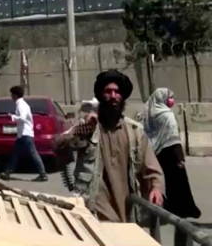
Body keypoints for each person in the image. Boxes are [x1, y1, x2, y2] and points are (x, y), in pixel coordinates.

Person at [58, 69, 164, 223]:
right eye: (108, 91)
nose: (113, 96)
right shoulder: (89, 126)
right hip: (93, 210)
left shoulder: (135, 132)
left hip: (127, 212)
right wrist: (82, 130)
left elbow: (152, 169)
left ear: (123, 97)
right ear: (101, 95)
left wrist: (156, 188)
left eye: (117, 92)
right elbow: (59, 145)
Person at [143, 88, 201, 219]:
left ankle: (170, 206)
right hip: (172, 153)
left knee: (168, 181)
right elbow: (173, 137)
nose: (171, 100)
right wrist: (180, 158)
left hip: (157, 152)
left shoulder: (150, 113)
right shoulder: (167, 115)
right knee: (179, 182)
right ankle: (185, 209)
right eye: (169, 97)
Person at [0, 85, 47, 181]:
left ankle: (43, 174)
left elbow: (22, 118)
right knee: (15, 154)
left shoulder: (21, 105)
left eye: (12, 94)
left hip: (25, 134)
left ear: (15, 95)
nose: (11, 96)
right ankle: (7, 173)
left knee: (33, 153)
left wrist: (12, 117)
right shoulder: (20, 104)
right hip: (22, 134)